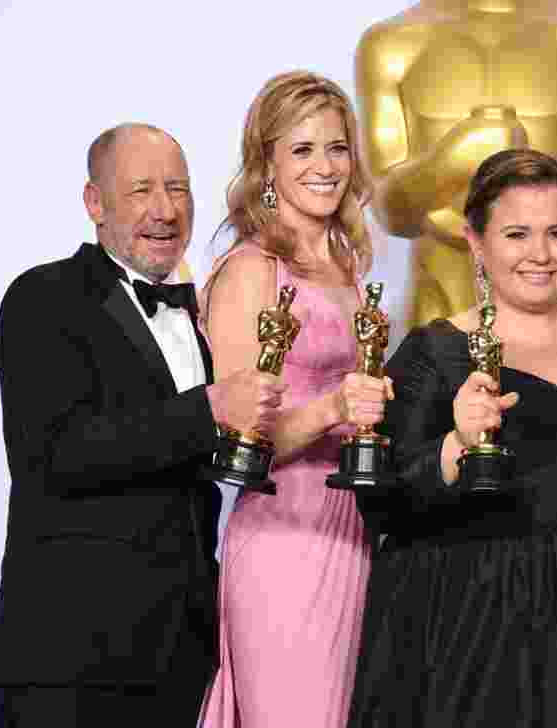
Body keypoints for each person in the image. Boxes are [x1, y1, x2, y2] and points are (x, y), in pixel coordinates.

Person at [349, 149, 557, 728]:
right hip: (483, 636)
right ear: (476, 242)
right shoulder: (436, 353)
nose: (540, 254)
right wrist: (455, 444)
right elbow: (381, 504)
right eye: (517, 234)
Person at [0, 123, 284, 727]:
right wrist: (210, 409)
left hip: (180, 658)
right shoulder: (44, 296)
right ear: (95, 203)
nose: (165, 210)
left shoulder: (199, 313)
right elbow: (53, 455)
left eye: (178, 189)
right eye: (142, 190)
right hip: (69, 662)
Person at [198, 71, 391, 728]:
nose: (326, 166)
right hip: (284, 542)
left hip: (357, 536)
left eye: (338, 148)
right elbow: (237, 437)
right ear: (268, 163)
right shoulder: (251, 270)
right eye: (303, 149)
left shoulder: (347, 268)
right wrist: (336, 407)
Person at [356, 0, 557, 327]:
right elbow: (391, 213)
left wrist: (513, 186)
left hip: (543, 324)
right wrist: (449, 162)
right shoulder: (390, 44)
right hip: (436, 317)